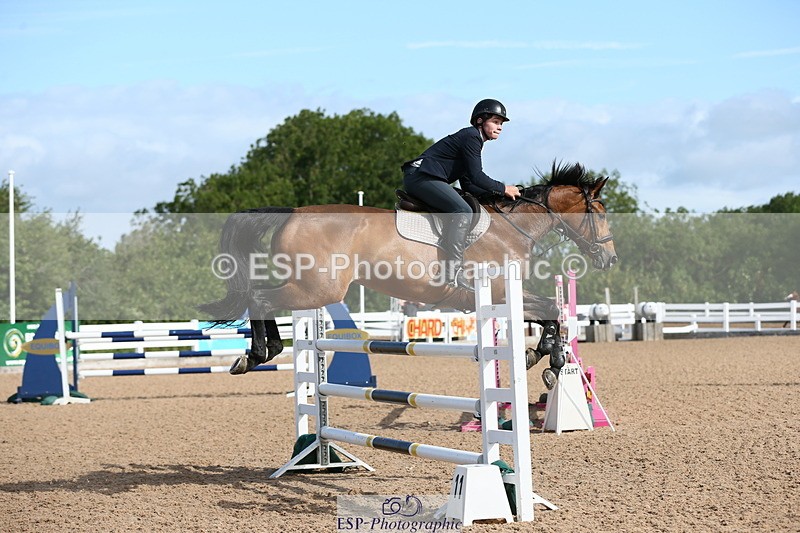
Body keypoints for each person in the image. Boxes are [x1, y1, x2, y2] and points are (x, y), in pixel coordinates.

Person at [401, 99, 521, 290]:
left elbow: (469, 184)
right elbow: (477, 176)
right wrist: (503, 188)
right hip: (420, 177)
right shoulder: (472, 137)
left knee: (466, 204)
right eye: (496, 122)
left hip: (425, 177)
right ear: (480, 120)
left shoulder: (473, 139)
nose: (500, 127)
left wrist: (498, 197)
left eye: (501, 124)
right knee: (463, 211)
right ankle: (453, 273)